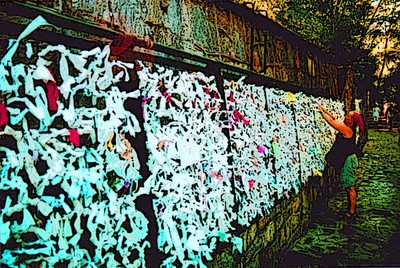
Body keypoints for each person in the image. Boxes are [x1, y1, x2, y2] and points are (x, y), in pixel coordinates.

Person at [318, 105, 362, 218]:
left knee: (350, 186)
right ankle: (350, 208)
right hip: (347, 159)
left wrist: (320, 112)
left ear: (352, 121)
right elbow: (334, 118)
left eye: (348, 116)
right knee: (347, 186)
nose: (345, 116)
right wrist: (324, 110)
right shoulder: (346, 126)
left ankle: (351, 211)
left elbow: (331, 123)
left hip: (348, 160)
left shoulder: (347, 130)